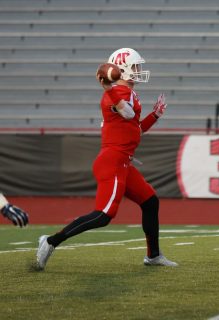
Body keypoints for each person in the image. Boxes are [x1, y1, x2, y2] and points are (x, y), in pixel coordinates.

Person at [36, 48, 177, 270]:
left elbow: (135, 129)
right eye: (136, 66)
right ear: (121, 70)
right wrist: (109, 88)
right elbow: (128, 114)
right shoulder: (117, 94)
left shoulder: (127, 93)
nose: (139, 71)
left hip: (122, 161)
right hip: (112, 162)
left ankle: (153, 256)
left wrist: (155, 115)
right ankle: (50, 242)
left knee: (150, 202)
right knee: (103, 216)